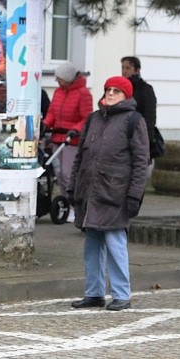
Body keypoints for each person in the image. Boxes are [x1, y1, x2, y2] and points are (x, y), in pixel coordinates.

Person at [68, 75, 149, 312]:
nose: (111, 93)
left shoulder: (134, 121)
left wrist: (135, 195)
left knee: (115, 244)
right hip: (91, 192)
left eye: (117, 90)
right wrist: (73, 187)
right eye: (108, 90)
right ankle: (94, 293)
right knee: (91, 245)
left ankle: (122, 294)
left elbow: (140, 162)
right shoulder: (94, 119)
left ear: (126, 95)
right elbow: (80, 157)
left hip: (115, 192)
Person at [42, 61, 92, 199]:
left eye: (59, 79)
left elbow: (86, 118)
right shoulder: (58, 92)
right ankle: (63, 201)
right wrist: (45, 124)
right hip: (58, 137)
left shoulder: (83, 94)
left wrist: (75, 129)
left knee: (68, 174)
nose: (57, 81)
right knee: (58, 173)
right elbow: (52, 112)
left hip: (72, 140)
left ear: (68, 78)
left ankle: (73, 205)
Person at [120, 56, 157, 136]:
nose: (124, 71)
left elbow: (150, 115)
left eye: (128, 68)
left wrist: (146, 135)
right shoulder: (118, 88)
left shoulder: (145, 89)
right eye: (122, 68)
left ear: (137, 70)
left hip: (138, 131)